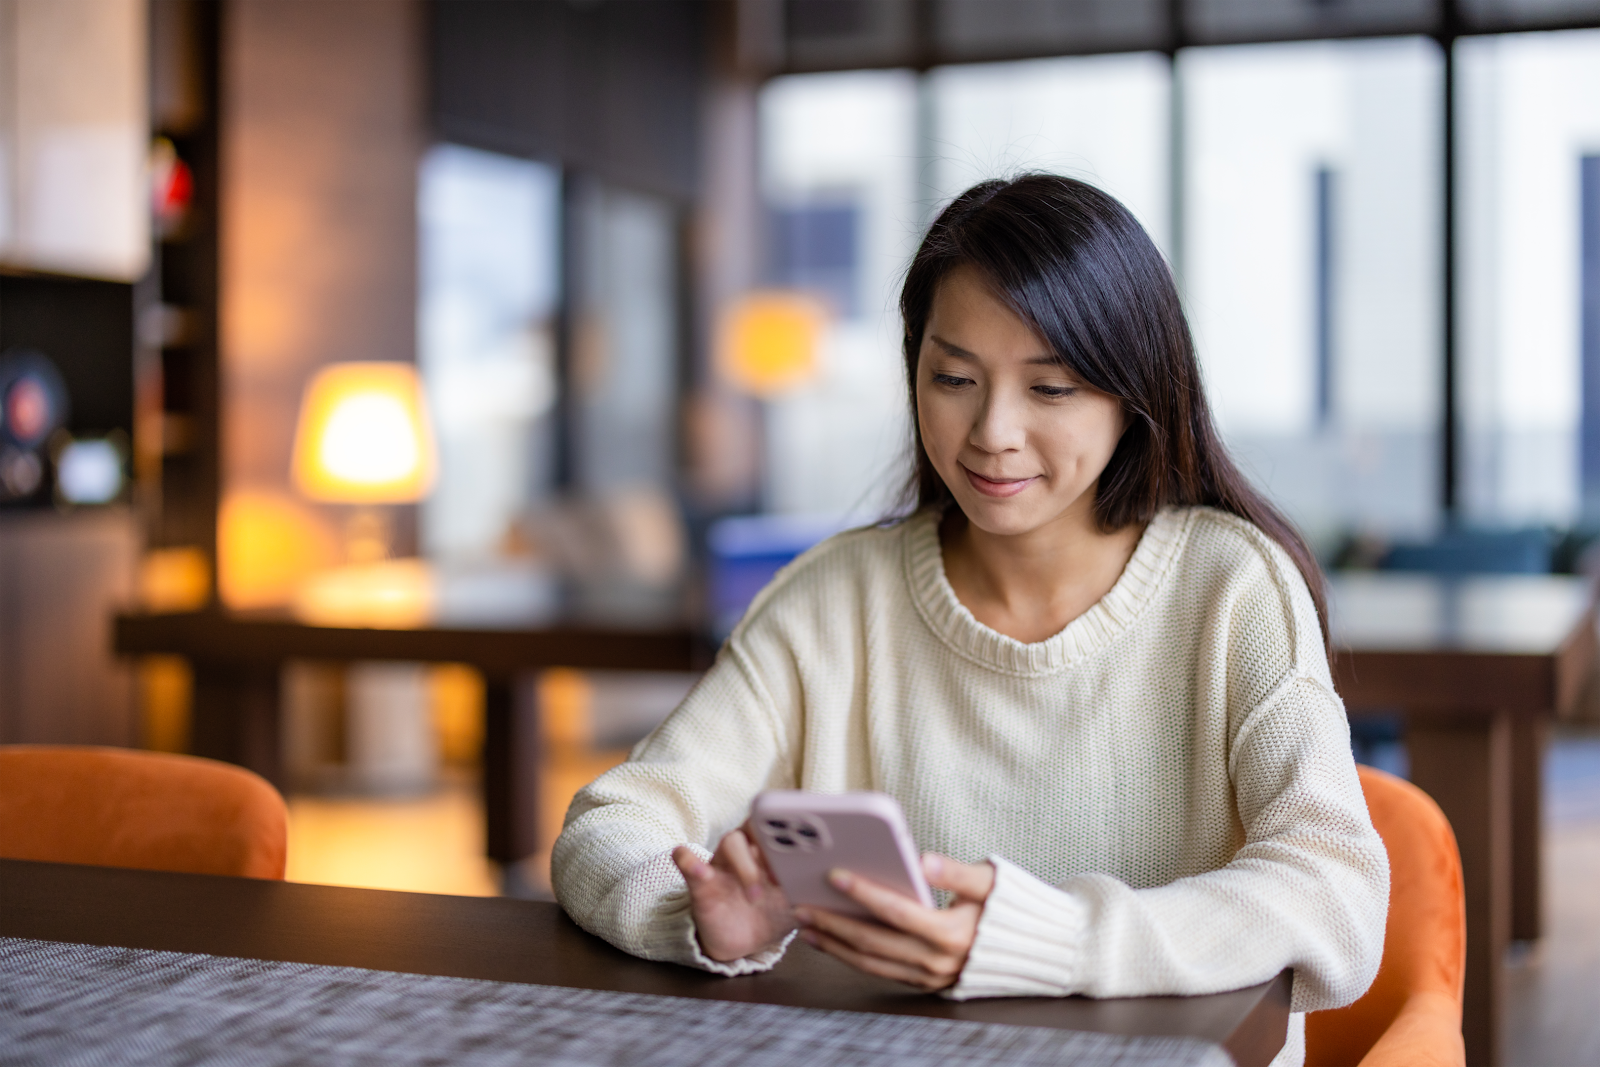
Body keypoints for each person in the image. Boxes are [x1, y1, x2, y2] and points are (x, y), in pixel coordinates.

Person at [552, 175, 1388, 1067]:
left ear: (1133, 391)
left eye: (1052, 387)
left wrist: (1048, 940)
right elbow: (609, 823)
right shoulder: (832, 601)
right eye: (953, 377)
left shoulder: (1231, 588)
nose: (993, 430)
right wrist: (699, 918)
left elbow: (1332, 891)